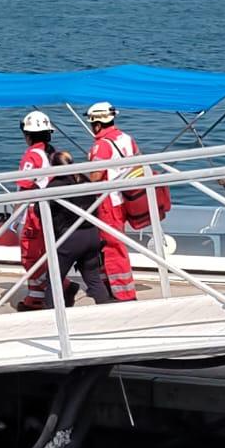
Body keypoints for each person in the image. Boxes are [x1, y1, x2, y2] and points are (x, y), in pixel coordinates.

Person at [43, 150, 116, 306]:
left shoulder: (55, 186)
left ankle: (51, 315)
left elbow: (39, 209)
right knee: (93, 278)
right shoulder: (84, 180)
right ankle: (107, 311)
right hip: (92, 235)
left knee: (54, 279)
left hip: (70, 238)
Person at [84, 101, 139, 302]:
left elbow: (96, 176)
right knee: (113, 244)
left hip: (108, 202)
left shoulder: (102, 145)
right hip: (124, 198)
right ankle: (110, 284)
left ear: (97, 124)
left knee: (112, 246)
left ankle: (124, 294)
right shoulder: (126, 138)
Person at [14, 110, 55, 311]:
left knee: (30, 255)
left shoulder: (33, 155)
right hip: (48, 210)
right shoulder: (52, 153)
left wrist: (14, 214)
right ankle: (37, 295)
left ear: (27, 135)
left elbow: (24, 184)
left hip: (33, 212)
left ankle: (52, 290)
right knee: (42, 254)